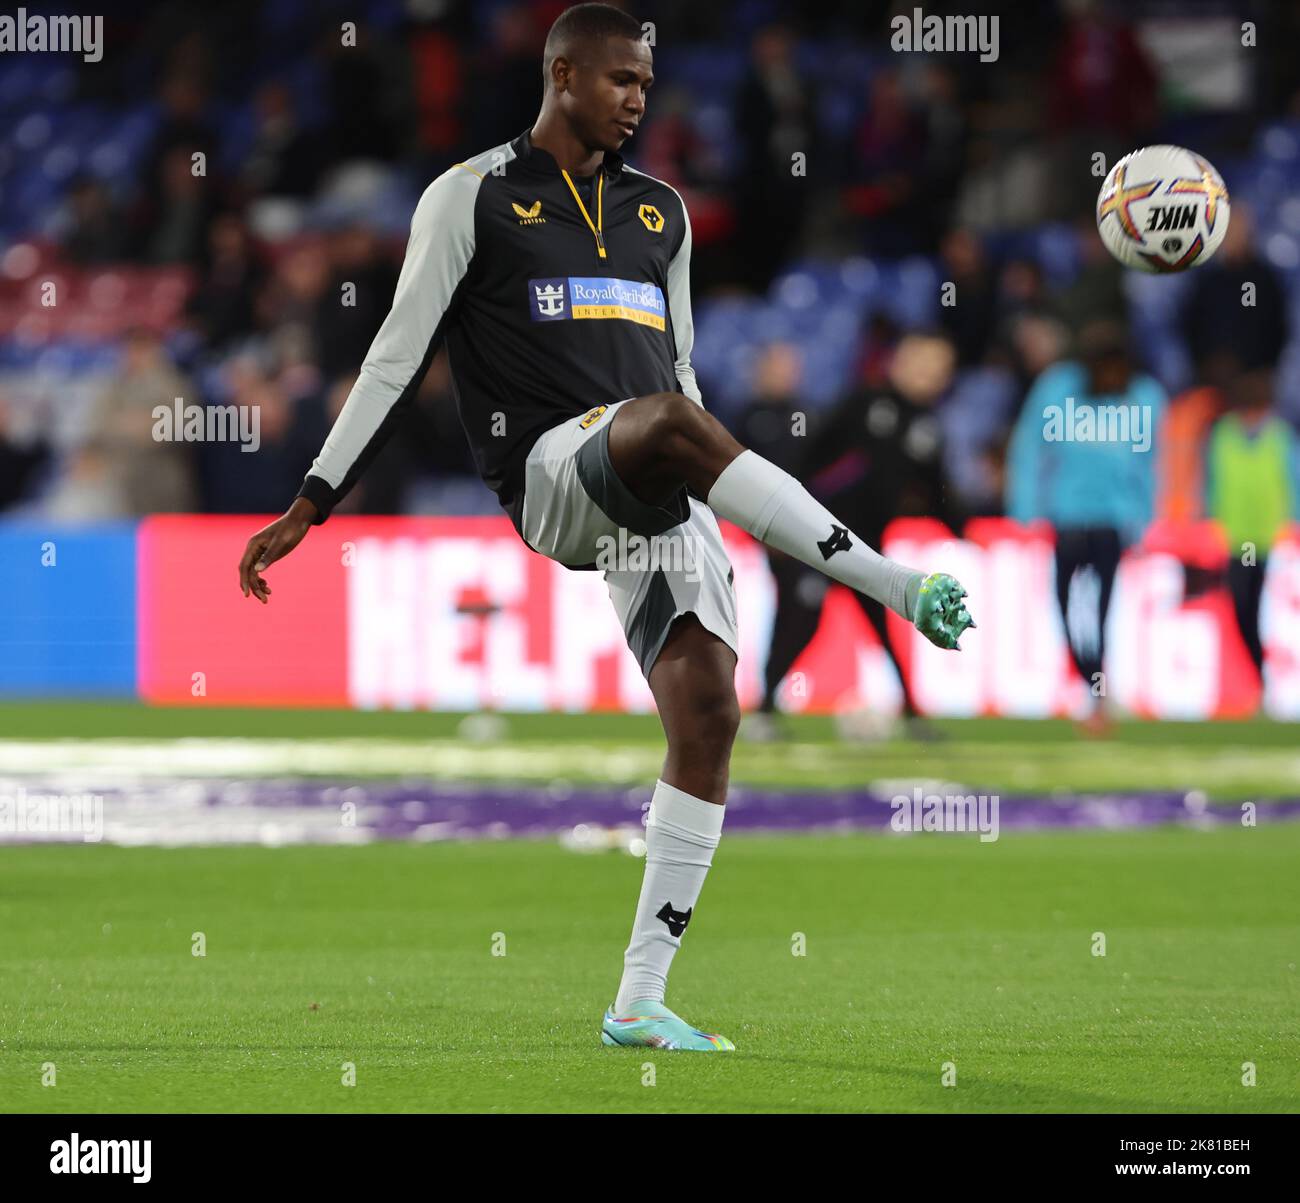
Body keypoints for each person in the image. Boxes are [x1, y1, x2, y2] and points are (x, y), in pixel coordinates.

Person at [237, 3, 973, 1054]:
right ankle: (890, 583)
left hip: (651, 471)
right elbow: (397, 360)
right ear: (562, 72)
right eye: (619, 79)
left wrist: (707, 485)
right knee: (675, 426)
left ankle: (638, 1000)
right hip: (549, 472)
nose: (637, 99)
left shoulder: (660, 214)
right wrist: (313, 498)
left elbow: (675, 374)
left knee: (709, 712)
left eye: (645, 82)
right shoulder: (471, 196)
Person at [1006, 319, 1164, 731]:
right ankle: (1094, 687)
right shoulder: (1058, 387)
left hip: (1111, 524)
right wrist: (1025, 510)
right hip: (1069, 520)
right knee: (1066, 605)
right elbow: (1028, 448)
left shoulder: (1144, 396)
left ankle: (1096, 693)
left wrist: (1145, 522)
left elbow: (1150, 466)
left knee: (1102, 610)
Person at [1205, 369, 1299, 683]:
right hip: (1237, 538)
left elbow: (1293, 482)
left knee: (1268, 611)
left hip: (1271, 539)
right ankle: (1258, 675)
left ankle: (1268, 678)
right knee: (1242, 607)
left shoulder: (1279, 436)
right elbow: (1213, 483)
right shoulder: (1224, 434)